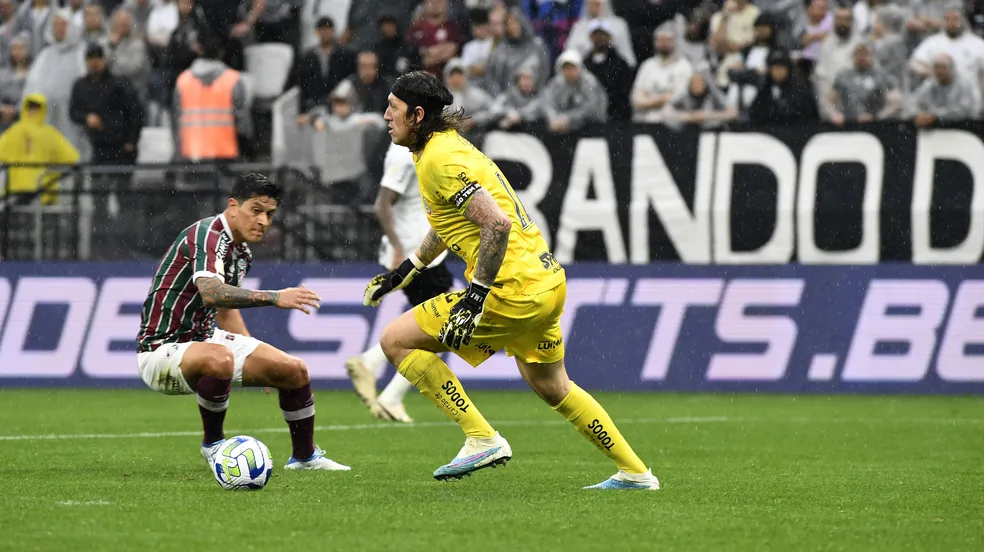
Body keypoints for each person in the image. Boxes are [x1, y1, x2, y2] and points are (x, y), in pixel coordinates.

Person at [363, 71, 659, 490]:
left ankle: (482, 438)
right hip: (547, 280)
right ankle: (636, 472)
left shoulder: (438, 160)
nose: (385, 115)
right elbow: (448, 224)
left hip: (511, 290)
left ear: (417, 114)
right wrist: (405, 270)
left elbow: (496, 225)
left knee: (395, 340)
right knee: (555, 387)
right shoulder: (443, 148)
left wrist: (476, 297)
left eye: (392, 108)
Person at [135, 173, 351, 473]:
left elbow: (224, 310)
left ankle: (304, 457)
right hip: (161, 350)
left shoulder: (242, 253)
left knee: (293, 370)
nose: (263, 221)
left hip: (205, 340)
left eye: (270, 214)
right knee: (220, 359)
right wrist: (275, 297)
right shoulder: (208, 234)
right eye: (256, 210)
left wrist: (252, 352)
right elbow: (211, 294)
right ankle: (213, 446)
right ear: (233, 206)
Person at [345, 140, 455, 423]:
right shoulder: (403, 155)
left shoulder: (419, 150)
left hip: (423, 251)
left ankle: (378, 373)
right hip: (415, 252)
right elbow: (382, 204)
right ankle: (379, 378)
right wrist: (396, 246)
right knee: (442, 326)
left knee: (431, 327)